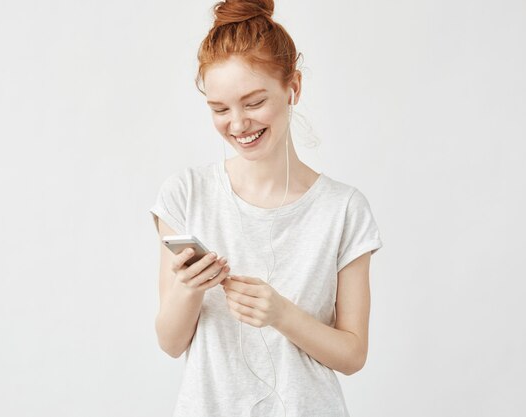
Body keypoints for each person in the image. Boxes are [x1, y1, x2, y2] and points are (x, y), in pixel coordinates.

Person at [149, 1, 383, 415]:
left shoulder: (343, 209)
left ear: (293, 87)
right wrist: (189, 289)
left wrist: (281, 314)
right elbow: (170, 343)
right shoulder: (185, 194)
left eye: (254, 103)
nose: (238, 124)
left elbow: (352, 354)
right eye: (220, 109)